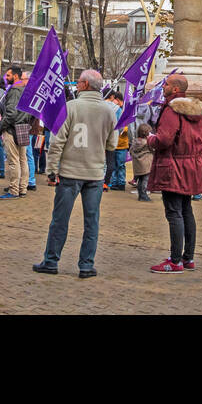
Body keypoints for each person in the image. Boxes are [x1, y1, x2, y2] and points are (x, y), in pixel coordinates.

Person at [33, 69, 117, 277]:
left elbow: (57, 141)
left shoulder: (70, 107)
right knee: (92, 221)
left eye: (79, 81)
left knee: (60, 219)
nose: (77, 85)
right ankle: (86, 265)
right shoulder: (109, 111)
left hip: (70, 172)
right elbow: (112, 144)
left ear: (86, 85)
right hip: (95, 174)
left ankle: (51, 261)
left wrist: (52, 169)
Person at [146, 73, 202, 273]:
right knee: (186, 210)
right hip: (192, 165)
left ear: (175, 89)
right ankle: (188, 258)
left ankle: (175, 260)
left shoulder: (172, 110)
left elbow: (164, 139)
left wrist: (151, 140)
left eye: (166, 84)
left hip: (174, 165)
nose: (164, 86)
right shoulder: (198, 111)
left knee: (174, 212)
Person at [0, 67, 32, 199]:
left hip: (12, 128)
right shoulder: (25, 90)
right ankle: (22, 189)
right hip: (23, 127)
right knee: (23, 160)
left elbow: (11, 114)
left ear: (16, 76)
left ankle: (14, 190)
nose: (6, 78)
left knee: (14, 161)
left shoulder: (14, 90)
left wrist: (1, 127)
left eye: (8, 75)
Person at [130, 122, 154, 202]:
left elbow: (131, 151)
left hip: (137, 165)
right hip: (146, 165)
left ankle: (140, 195)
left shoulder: (134, 142)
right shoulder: (147, 143)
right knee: (145, 180)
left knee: (140, 180)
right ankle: (143, 195)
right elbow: (153, 150)